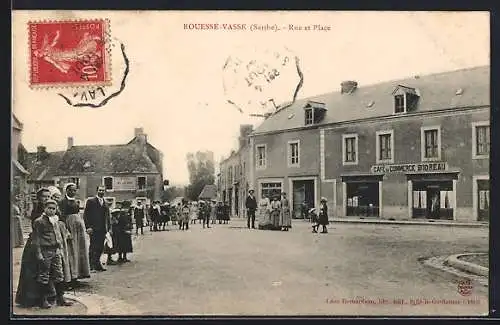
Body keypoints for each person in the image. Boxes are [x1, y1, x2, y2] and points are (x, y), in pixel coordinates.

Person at [31, 199, 73, 308]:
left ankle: (60, 297)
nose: (52, 210)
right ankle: (42, 300)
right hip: (45, 251)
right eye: (49, 208)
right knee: (44, 275)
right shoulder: (39, 221)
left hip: (56, 250)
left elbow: (58, 235)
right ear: (44, 208)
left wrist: (60, 248)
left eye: (54, 209)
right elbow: (36, 239)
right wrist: (39, 253)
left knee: (59, 275)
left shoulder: (56, 220)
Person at [15, 188, 52, 308]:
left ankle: (46, 297)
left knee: (46, 271)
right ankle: (35, 298)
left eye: (48, 196)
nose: (46, 199)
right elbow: (35, 226)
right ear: (39, 198)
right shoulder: (37, 210)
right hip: (36, 243)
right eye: (44, 197)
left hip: (47, 242)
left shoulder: (51, 209)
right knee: (35, 271)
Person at [60, 183, 91, 280]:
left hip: (78, 227)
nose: (73, 192)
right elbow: (62, 216)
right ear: (67, 190)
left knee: (79, 248)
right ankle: (72, 275)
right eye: (71, 190)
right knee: (72, 249)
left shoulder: (76, 202)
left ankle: (79, 273)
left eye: (74, 190)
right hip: (70, 225)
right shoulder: (63, 202)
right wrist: (66, 230)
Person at [83, 185, 111, 272]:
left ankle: (97, 264)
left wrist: (108, 228)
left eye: (103, 190)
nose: (101, 192)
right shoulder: (91, 201)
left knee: (100, 247)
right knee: (93, 247)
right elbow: (85, 215)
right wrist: (88, 227)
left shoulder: (105, 203)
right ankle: (91, 266)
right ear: (97, 191)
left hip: (102, 229)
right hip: (93, 228)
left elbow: (107, 217)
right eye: (100, 190)